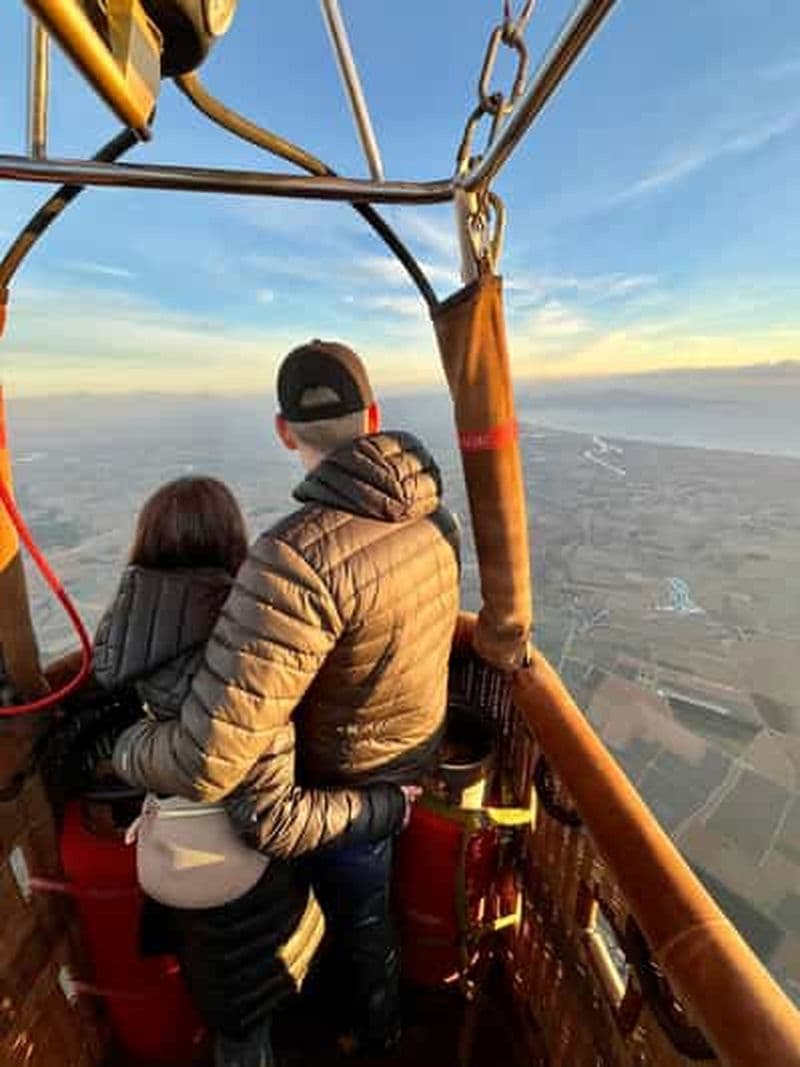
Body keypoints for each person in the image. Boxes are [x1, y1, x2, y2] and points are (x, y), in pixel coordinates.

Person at [112, 340, 461, 1056]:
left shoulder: (294, 555)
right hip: (400, 769)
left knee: (323, 922)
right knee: (368, 924)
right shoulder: (435, 522)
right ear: (373, 413)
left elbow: (208, 757)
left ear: (283, 429)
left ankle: (332, 1025)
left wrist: (122, 749)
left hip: (326, 793)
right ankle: (378, 1034)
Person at [95, 477, 324, 1067]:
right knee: (249, 1013)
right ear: (231, 543)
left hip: (166, 856)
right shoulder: (243, 642)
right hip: (238, 860)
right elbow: (267, 806)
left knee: (222, 990)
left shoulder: (126, 635)